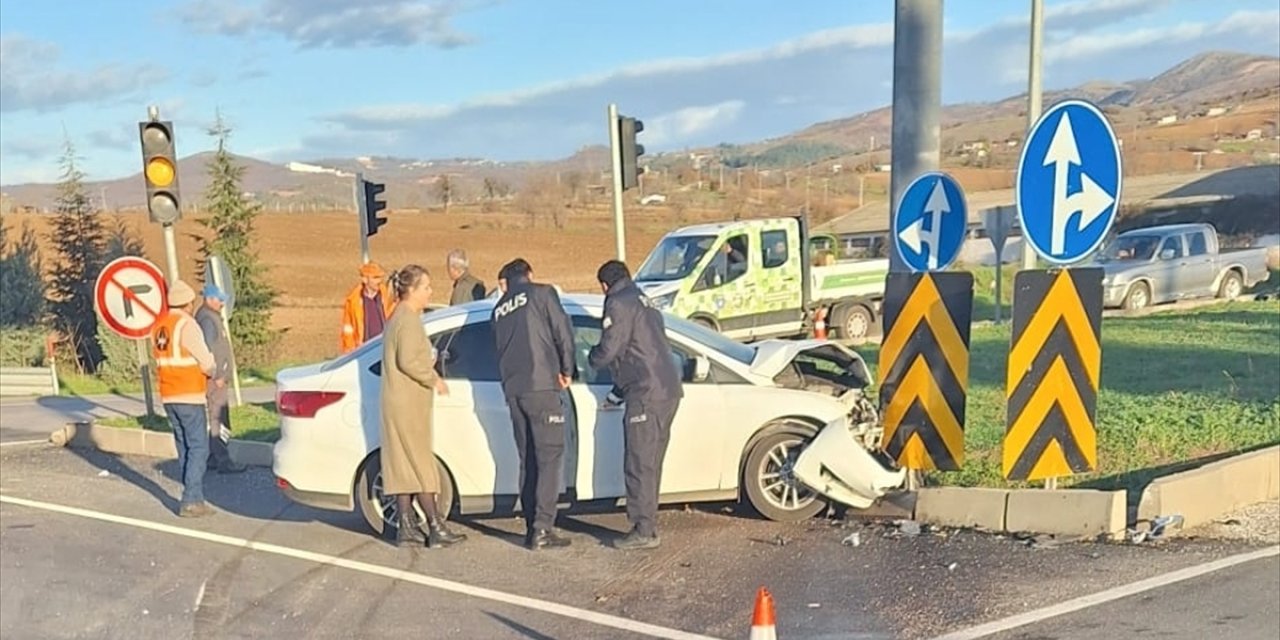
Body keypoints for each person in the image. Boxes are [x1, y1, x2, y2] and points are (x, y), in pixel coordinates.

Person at [589, 260, 684, 550]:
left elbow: (611, 349)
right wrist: (618, 391)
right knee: (651, 462)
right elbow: (642, 350)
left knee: (639, 462)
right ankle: (647, 523)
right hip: (665, 389)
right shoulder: (645, 301)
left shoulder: (617, 303)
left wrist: (589, 359)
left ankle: (644, 530)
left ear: (605, 285)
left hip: (645, 393)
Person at [491, 258, 576, 550]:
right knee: (550, 458)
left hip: (514, 391)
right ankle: (543, 529)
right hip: (542, 387)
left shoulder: (499, 310)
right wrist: (567, 370)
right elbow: (563, 333)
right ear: (529, 274)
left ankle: (531, 525)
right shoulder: (542, 293)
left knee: (528, 459)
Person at [380, 264, 467, 549]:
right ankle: (435, 526)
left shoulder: (400, 316)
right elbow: (408, 359)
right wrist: (433, 379)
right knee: (420, 464)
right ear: (413, 290)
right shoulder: (408, 318)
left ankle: (405, 528)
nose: (430, 292)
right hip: (408, 404)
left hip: (400, 401)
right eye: (426, 287)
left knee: (404, 465)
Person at [151, 279, 218, 518]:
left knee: (184, 446)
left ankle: (190, 492)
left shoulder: (161, 326)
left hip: (169, 395)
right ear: (188, 303)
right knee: (199, 447)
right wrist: (213, 369)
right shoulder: (187, 325)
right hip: (189, 394)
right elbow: (206, 362)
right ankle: (191, 499)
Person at [195, 282, 246, 474]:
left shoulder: (211, 316)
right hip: (215, 380)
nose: (223, 303)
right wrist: (217, 375)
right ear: (209, 299)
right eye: (220, 300)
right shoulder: (208, 319)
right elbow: (208, 350)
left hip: (217, 378)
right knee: (217, 417)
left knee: (216, 417)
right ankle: (223, 460)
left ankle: (213, 458)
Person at [340, 262, 396, 353]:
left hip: (385, 346)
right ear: (365, 279)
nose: (380, 281)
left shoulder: (386, 295)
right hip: (364, 350)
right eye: (375, 277)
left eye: (381, 277)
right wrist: (349, 351)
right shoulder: (353, 301)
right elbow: (348, 329)